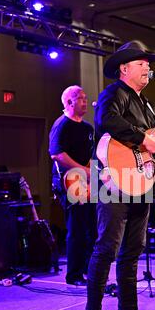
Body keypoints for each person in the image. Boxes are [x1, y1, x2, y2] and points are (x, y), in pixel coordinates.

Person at [84, 41, 155, 310]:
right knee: (107, 247)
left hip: (140, 181)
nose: (148, 67)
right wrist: (143, 139)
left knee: (133, 250)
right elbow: (108, 121)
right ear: (124, 68)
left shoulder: (148, 104)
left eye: (148, 63)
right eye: (141, 62)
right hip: (111, 179)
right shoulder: (113, 93)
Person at [49, 85, 96, 286]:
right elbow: (57, 154)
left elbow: (92, 156)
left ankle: (89, 270)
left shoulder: (87, 128)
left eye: (86, 98)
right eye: (81, 98)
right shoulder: (62, 125)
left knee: (91, 228)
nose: (85, 101)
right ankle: (74, 274)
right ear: (69, 102)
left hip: (88, 181)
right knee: (76, 228)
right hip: (69, 181)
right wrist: (83, 170)